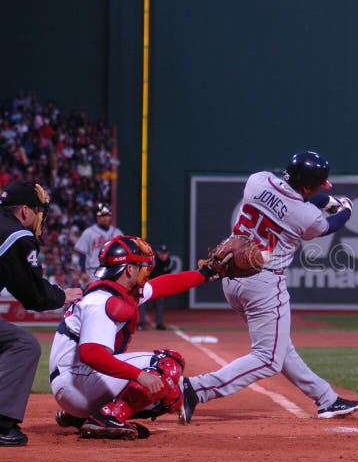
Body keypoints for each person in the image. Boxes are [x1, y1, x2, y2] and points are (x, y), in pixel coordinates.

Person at [180, 151, 358, 423]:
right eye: (323, 182)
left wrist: (326, 199)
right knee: (268, 358)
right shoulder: (307, 217)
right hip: (263, 282)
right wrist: (345, 209)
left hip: (231, 276)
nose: (327, 186)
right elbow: (328, 224)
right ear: (309, 185)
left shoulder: (258, 180)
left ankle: (327, 399)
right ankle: (196, 389)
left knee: (280, 347)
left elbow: (296, 195)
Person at [49, 235, 222, 440]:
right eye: (141, 265)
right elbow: (91, 354)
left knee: (171, 395)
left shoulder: (119, 289)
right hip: (76, 382)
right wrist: (139, 375)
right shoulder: (101, 300)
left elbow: (164, 284)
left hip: (75, 382)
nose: (146, 270)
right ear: (129, 269)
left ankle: (79, 417)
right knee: (168, 364)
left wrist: (204, 273)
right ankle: (109, 416)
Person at [0, 181, 83, 446]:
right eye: (38, 210)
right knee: (24, 345)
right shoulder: (16, 236)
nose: (39, 217)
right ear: (24, 210)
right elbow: (32, 294)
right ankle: (2, 425)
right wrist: (62, 295)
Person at [73, 202, 123, 275]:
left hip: (113, 270)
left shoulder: (117, 233)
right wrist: (83, 272)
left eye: (107, 215)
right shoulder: (88, 232)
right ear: (97, 217)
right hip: (93, 271)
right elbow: (82, 254)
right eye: (102, 215)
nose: (104, 218)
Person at [140, 244, 177, 330]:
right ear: (158, 253)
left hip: (158, 285)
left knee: (160, 302)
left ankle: (160, 323)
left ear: (168, 254)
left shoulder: (170, 263)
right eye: (161, 253)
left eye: (165, 253)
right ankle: (140, 323)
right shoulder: (153, 262)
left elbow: (168, 276)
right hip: (147, 283)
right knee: (142, 302)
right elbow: (145, 273)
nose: (163, 255)